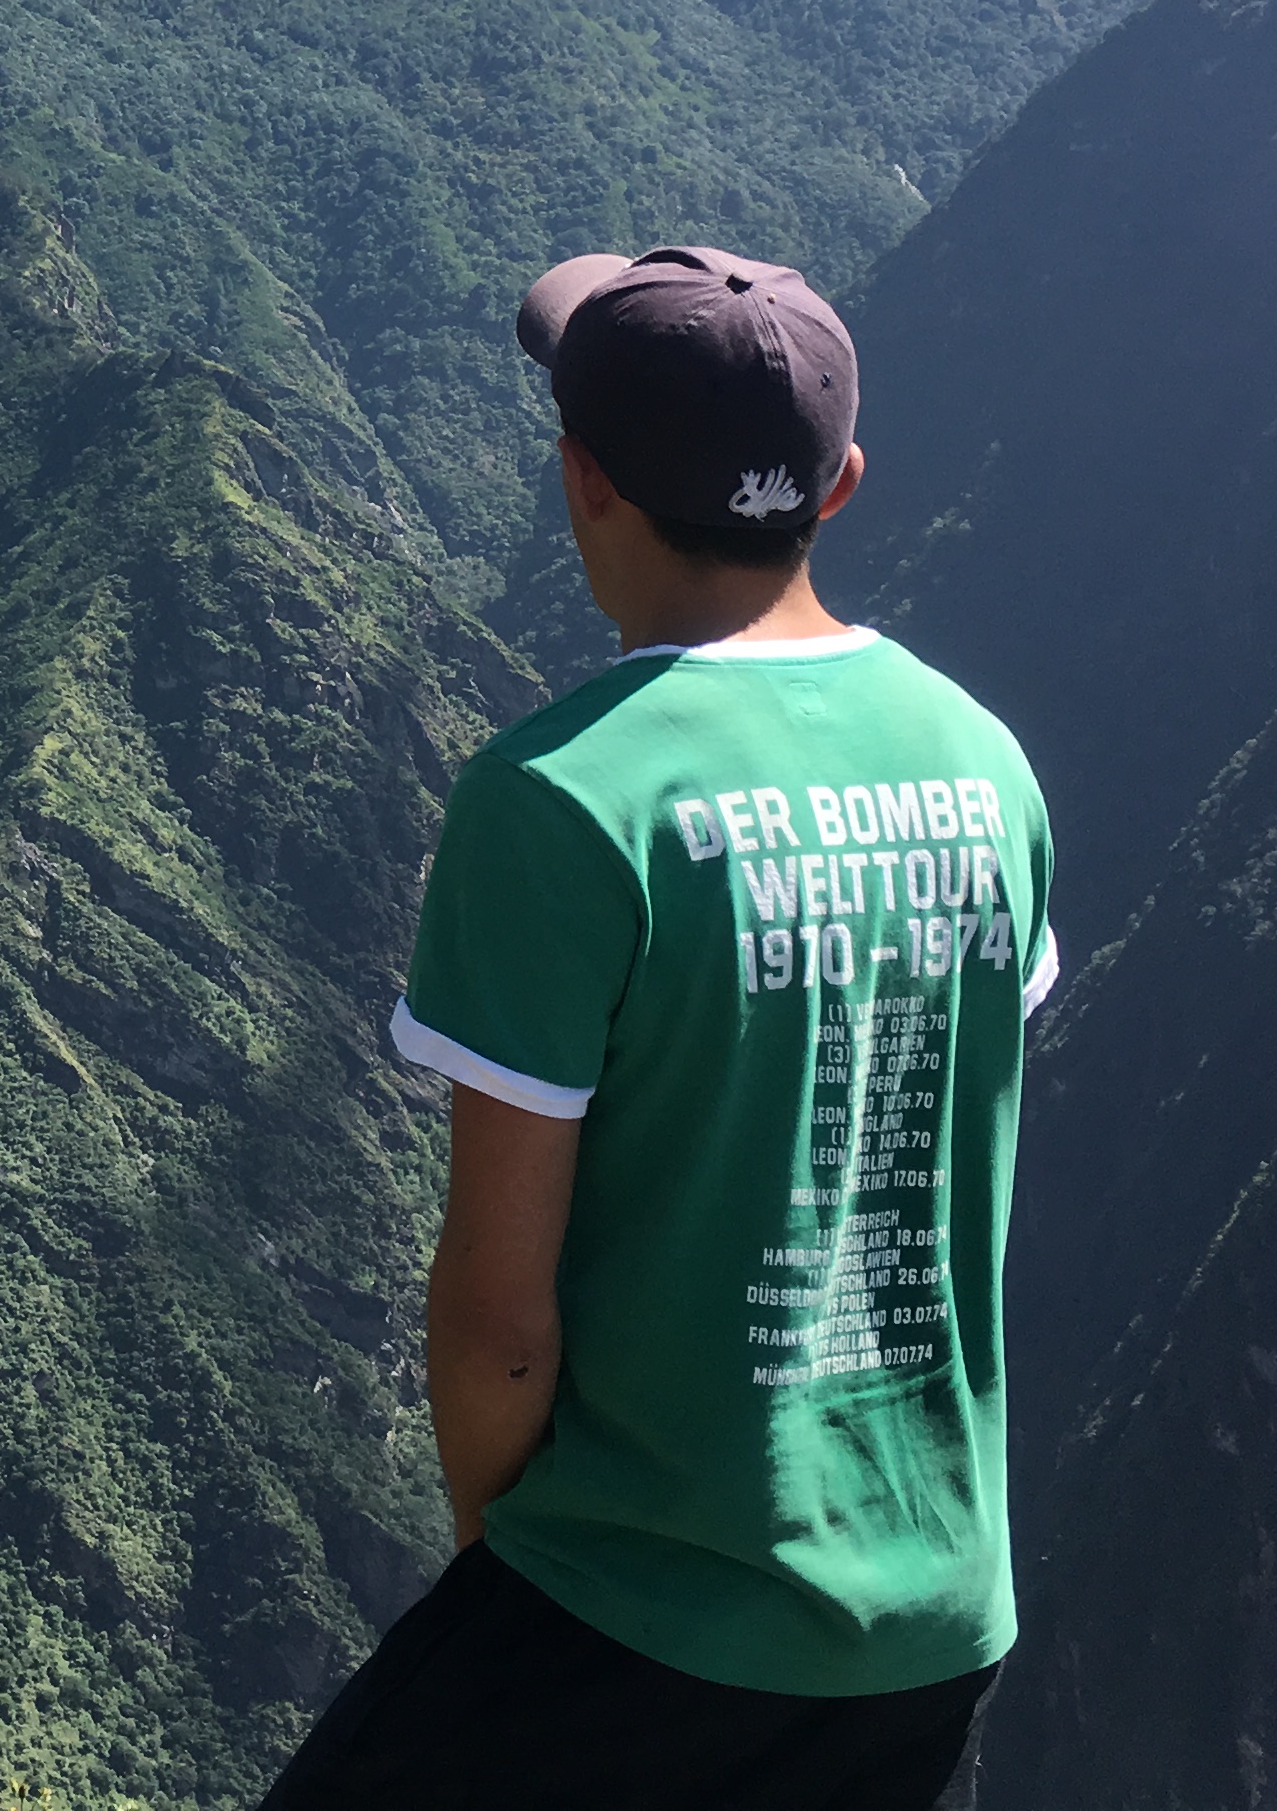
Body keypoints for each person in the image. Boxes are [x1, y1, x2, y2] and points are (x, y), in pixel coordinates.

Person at [265, 248, 1057, 1811]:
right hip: (937, 1609)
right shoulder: (988, 768)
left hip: (648, 1607)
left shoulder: (563, 800)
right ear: (841, 487)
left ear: (583, 482)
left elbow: (500, 1320)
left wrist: (513, 1566)